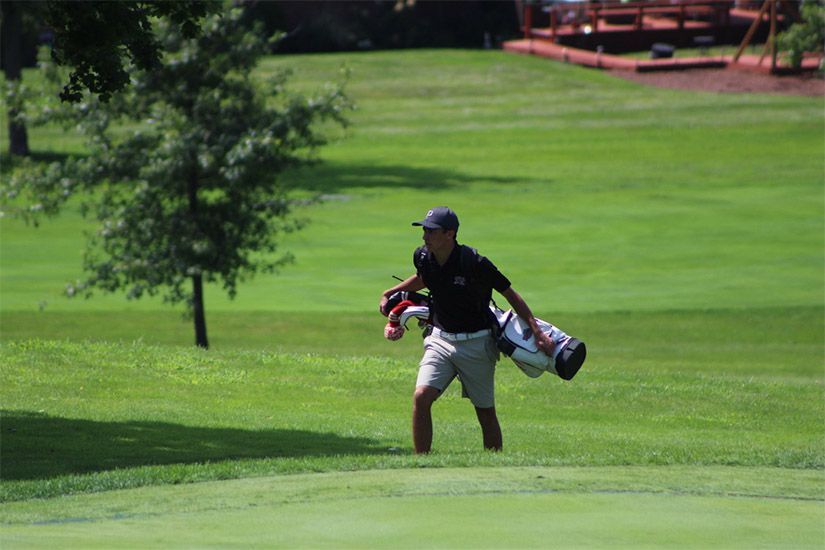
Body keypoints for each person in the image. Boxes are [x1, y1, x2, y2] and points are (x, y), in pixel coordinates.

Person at [379, 206, 554, 454]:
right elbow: (424, 278)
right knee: (421, 397)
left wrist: (537, 332)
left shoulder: (475, 263)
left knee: (484, 411)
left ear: (449, 234)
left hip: (477, 343)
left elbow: (511, 294)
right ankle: (421, 462)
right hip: (440, 340)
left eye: (431, 231)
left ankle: (493, 465)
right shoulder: (423, 256)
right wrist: (391, 292)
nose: (425, 236)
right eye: (424, 230)